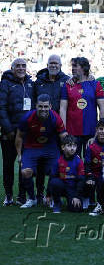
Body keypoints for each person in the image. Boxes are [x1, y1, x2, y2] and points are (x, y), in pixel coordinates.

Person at [15, 94, 68, 208]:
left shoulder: (55, 117)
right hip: (31, 147)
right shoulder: (27, 118)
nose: (43, 109)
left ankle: (49, 196)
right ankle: (32, 198)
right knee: (25, 171)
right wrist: (19, 155)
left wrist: (67, 152)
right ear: (36, 106)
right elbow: (19, 137)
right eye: (40, 106)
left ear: (50, 106)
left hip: (50, 147)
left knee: (57, 170)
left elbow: (63, 135)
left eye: (45, 106)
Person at [33, 55, 70, 203]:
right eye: (51, 63)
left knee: (58, 162)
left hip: (59, 128)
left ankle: (52, 194)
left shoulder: (66, 80)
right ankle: (39, 194)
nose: (53, 65)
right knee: (41, 163)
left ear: (61, 65)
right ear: (47, 65)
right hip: (41, 128)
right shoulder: (39, 82)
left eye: (56, 63)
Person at [0, 58, 34, 205]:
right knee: (8, 165)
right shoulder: (5, 84)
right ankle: (8, 195)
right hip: (9, 134)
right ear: (12, 68)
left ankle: (21, 195)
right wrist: (8, 129)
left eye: (23, 66)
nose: (21, 68)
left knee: (24, 164)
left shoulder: (30, 84)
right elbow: (1, 108)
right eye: (18, 66)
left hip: (26, 133)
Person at [60, 57, 104, 157]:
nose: (72, 69)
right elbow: (63, 109)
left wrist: (100, 130)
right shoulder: (67, 85)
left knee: (91, 163)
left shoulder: (95, 84)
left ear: (84, 68)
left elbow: (102, 108)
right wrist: (63, 131)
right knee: (72, 163)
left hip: (91, 132)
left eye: (75, 66)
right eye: (72, 66)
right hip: (72, 132)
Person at [49, 135, 85, 213]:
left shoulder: (79, 161)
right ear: (63, 147)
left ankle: (72, 200)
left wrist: (76, 196)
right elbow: (52, 177)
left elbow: (81, 180)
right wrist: (48, 195)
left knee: (76, 209)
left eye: (74, 146)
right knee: (55, 182)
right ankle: (57, 202)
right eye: (69, 146)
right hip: (62, 186)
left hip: (73, 189)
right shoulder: (58, 160)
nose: (72, 148)